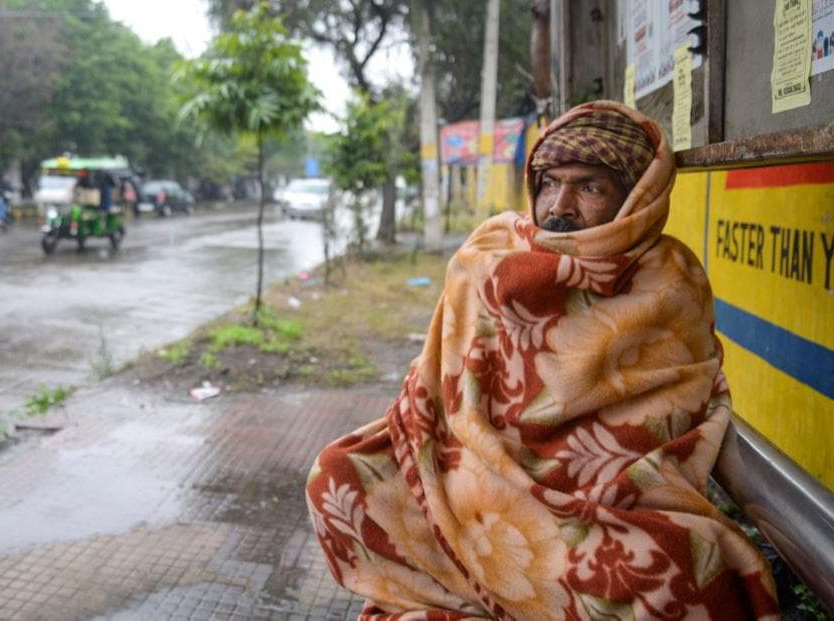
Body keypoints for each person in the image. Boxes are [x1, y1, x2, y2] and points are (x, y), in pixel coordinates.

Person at [305, 101, 779, 620]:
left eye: (591, 187)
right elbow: (429, 394)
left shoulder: (670, 281)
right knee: (336, 476)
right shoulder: (487, 254)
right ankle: (481, 589)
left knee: (684, 575)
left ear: (640, 196)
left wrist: (546, 491)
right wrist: (453, 458)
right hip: (465, 472)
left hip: (593, 504)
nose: (561, 204)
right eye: (549, 182)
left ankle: (494, 589)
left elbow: (663, 420)